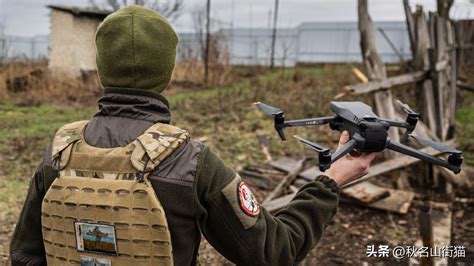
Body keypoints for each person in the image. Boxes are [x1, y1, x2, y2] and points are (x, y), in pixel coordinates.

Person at [9, 5, 377, 266]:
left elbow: (25, 257)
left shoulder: (58, 153)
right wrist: (330, 181)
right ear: (167, 71)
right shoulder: (193, 163)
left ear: (103, 68)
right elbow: (275, 251)